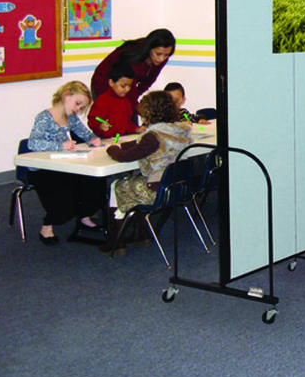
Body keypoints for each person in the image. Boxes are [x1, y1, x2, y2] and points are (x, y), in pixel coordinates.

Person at [99, 90, 194, 254]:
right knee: (135, 181)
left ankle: (117, 241)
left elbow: (126, 157)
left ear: (148, 112)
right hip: (178, 187)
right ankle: (140, 233)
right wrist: (128, 144)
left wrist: (112, 149)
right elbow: (140, 144)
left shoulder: (153, 136)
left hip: (157, 190)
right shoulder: (179, 131)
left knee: (117, 186)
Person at [26, 80, 106, 245]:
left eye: (81, 107)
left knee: (92, 181)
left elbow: (84, 132)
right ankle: (47, 226)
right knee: (64, 193)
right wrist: (59, 146)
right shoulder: (44, 117)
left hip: (62, 165)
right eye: (77, 103)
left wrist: (93, 139)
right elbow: (33, 143)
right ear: (66, 95)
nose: (78, 109)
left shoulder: (71, 117)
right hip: (42, 168)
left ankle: (85, 215)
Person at [90, 28, 176, 121]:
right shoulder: (133, 58)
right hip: (103, 83)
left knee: (130, 120)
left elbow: (148, 81)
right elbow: (130, 94)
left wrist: (136, 103)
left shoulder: (160, 59)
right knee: (114, 123)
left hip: (125, 87)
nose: (161, 59)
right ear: (149, 48)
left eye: (166, 55)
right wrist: (142, 110)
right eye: (158, 54)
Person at [88, 62, 140, 138]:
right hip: (105, 139)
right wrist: (100, 125)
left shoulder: (126, 101)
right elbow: (93, 119)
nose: (127, 89)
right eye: (123, 86)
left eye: (130, 86)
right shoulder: (102, 101)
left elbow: (127, 123)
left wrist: (136, 129)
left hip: (120, 138)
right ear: (111, 82)